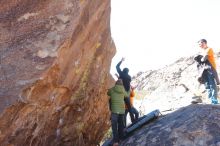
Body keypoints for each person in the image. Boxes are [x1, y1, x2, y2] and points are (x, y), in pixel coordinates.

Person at [197, 39, 219, 104]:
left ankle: (214, 100)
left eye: (201, 43)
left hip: (210, 69)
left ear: (205, 43)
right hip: (205, 70)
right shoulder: (202, 51)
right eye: (199, 44)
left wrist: (200, 58)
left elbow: (204, 58)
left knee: (212, 84)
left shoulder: (209, 49)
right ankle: (210, 100)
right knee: (207, 85)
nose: (200, 45)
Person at [107, 79, 128, 146]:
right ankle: (121, 138)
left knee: (114, 126)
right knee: (121, 124)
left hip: (115, 110)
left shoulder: (112, 89)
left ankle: (116, 141)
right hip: (122, 110)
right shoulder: (123, 90)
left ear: (116, 83)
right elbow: (127, 95)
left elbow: (108, 93)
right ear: (122, 84)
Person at [116, 58, 135, 123]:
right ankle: (133, 120)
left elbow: (117, 66)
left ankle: (123, 125)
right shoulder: (129, 77)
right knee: (129, 108)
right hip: (127, 94)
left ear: (123, 70)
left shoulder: (121, 74)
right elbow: (124, 81)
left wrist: (121, 61)